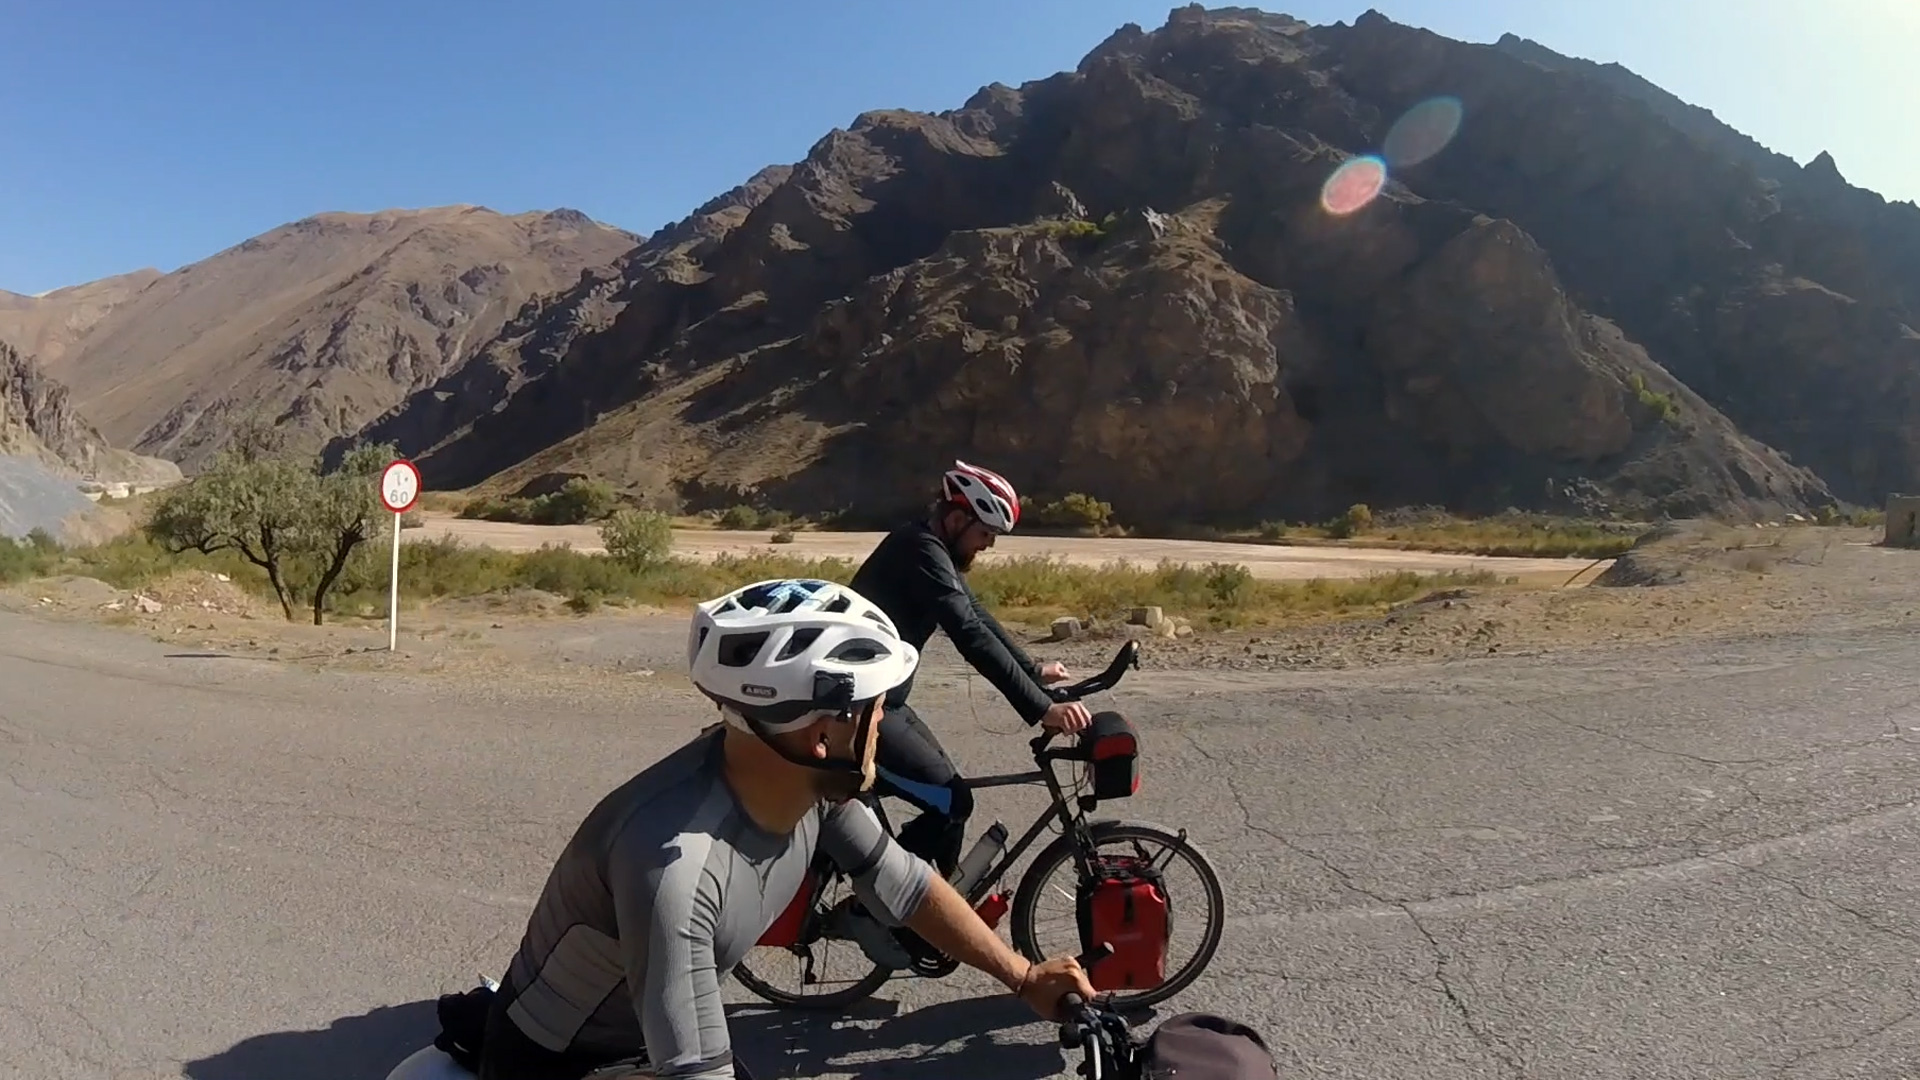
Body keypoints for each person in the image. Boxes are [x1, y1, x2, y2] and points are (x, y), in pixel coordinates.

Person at [473, 577, 1097, 1080]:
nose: (884, 723)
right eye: (879, 708)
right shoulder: (674, 870)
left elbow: (905, 887)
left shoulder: (810, 788)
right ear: (823, 734)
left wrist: (1023, 977)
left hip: (652, 1035)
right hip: (562, 1063)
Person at [847, 460, 1093, 885]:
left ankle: (921, 903)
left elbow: (976, 615)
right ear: (957, 518)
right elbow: (968, 633)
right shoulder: (919, 549)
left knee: (953, 799)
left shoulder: (929, 547)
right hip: (857, 715)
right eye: (985, 534)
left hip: (887, 704)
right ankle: (895, 906)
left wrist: (1033, 670)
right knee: (950, 800)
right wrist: (1040, 709)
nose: (988, 546)